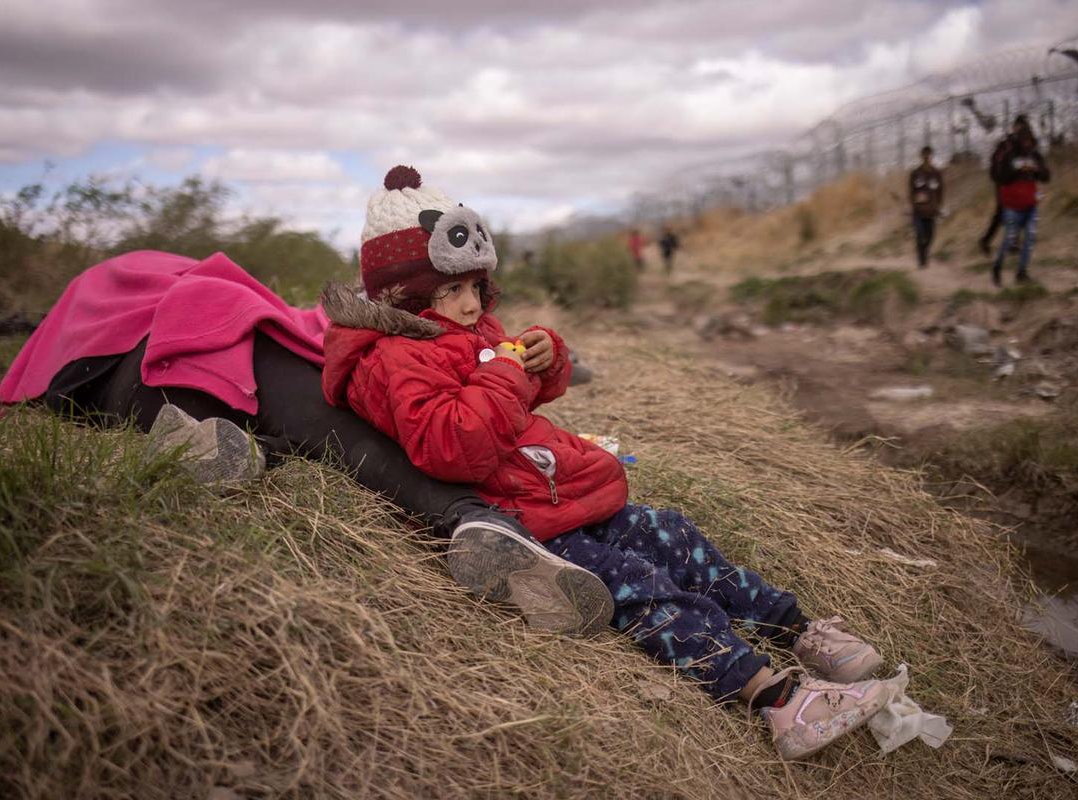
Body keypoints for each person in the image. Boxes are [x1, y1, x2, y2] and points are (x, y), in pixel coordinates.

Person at [321, 165, 891, 761]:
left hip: (552, 490)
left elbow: (512, 402)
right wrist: (505, 372)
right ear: (404, 297)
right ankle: (775, 698)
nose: (470, 305)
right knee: (638, 586)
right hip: (524, 522)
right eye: (450, 293)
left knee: (670, 532)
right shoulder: (394, 358)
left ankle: (794, 628)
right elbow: (454, 444)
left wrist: (544, 360)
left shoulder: (455, 332)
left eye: (474, 288)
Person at [0, 245, 612, 637]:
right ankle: (464, 517)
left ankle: (240, 447)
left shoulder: (93, 310)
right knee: (300, 393)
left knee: (286, 399)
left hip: (138, 386)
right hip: (175, 364)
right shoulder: (176, 288)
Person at [991, 125, 1051, 286]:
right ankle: (997, 266)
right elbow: (1002, 178)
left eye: (1030, 141)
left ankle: (1021, 272)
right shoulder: (1009, 156)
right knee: (1010, 239)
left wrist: (1037, 170)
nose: (1027, 144)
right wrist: (1018, 170)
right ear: (1019, 141)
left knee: (1030, 237)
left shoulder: (1035, 156)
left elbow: (1046, 176)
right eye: (1024, 141)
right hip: (1012, 205)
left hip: (1030, 204)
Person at [979, 115, 1031, 256]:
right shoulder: (1006, 144)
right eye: (1019, 126)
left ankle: (1012, 242)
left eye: (1024, 126)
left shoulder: (1026, 145)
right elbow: (995, 163)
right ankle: (986, 241)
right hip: (1004, 184)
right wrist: (1000, 181)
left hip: (1019, 184)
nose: (1021, 129)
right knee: (1002, 213)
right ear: (1014, 127)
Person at [908, 146, 943, 269]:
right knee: (920, 234)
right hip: (919, 210)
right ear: (921, 156)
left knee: (930, 236)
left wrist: (938, 206)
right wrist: (914, 205)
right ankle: (922, 260)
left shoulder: (936, 173)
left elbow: (940, 191)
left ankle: (924, 252)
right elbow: (911, 191)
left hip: (931, 210)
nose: (927, 157)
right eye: (925, 155)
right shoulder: (915, 173)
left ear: (931, 156)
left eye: (929, 155)